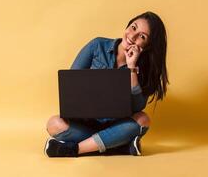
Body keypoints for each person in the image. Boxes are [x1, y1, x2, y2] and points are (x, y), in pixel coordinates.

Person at [44, 11, 169, 157]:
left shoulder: (143, 67)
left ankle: (73, 150)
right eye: (133, 28)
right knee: (54, 123)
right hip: (85, 123)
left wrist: (131, 68)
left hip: (117, 125)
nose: (133, 36)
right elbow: (72, 83)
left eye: (142, 37)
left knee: (143, 120)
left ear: (147, 45)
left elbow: (137, 107)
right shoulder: (97, 45)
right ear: (128, 26)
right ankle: (117, 145)